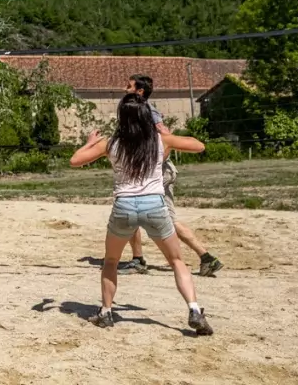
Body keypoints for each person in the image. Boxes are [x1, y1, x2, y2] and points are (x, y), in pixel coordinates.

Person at [69, 93, 213, 335]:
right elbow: (199, 145)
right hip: (154, 205)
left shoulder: (111, 144)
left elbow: (75, 161)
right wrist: (167, 133)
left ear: (121, 117)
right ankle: (194, 310)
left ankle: (106, 312)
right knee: (177, 261)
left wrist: (89, 142)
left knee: (111, 261)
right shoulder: (160, 140)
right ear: (147, 116)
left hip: (124, 206)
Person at [119, 75, 224, 277]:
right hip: (152, 173)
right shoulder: (135, 110)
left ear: (140, 91)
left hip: (158, 173)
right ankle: (138, 259)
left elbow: (165, 138)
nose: (125, 89)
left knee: (160, 218)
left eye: (128, 86)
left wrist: (156, 161)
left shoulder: (147, 111)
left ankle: (205, 257)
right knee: (134, 214)